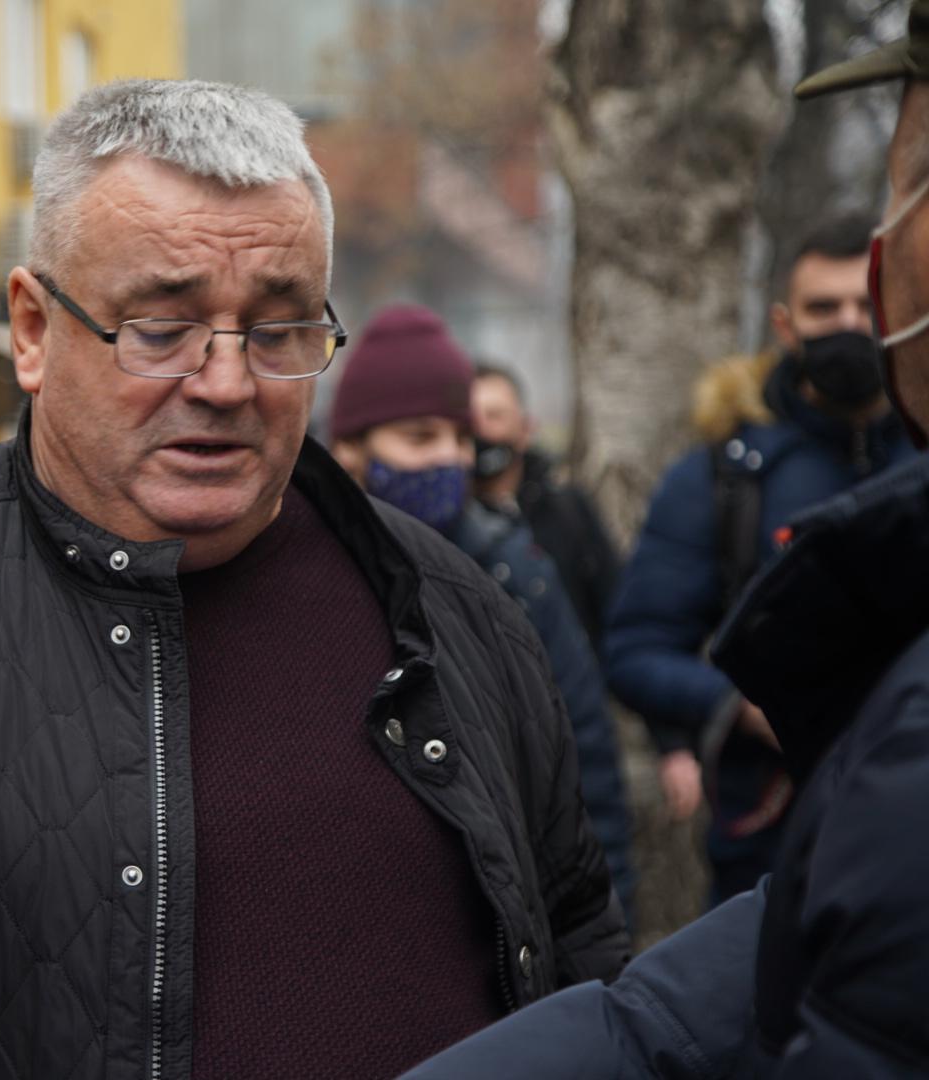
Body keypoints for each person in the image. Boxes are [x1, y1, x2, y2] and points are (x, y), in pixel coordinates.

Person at [0, 79, 628, 1080]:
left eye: (280, 329)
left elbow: (576, 947)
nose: (227, 383)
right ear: (32, 330)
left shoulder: (457, 615)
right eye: (161, 329)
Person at [397, 9, 929, 1074]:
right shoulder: (720, 479)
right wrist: (725, 714)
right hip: (752, 849)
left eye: (905, 184)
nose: (857, 308)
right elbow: (683, 1016)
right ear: (782, 321)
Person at [603, 213, 915, 902]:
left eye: (866, 302)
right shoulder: (724, 477)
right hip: (780, 849)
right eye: (823, 308)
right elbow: (635, 647)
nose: (847, 323)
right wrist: (744, 706)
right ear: (783, 324)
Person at [329, 304, 634, 916]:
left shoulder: (514, 572)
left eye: (462, 437)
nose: (451, 458)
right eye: (420, 437)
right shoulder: (310, 576)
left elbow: (584, 768)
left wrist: (606, 924)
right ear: (350, 450)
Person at [471, 363, 622, 654]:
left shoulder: (566, 509)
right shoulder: (452, 525)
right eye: (471, 419)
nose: (481, 430)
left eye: (494, 416)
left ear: (526, 429)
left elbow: (613, 606)